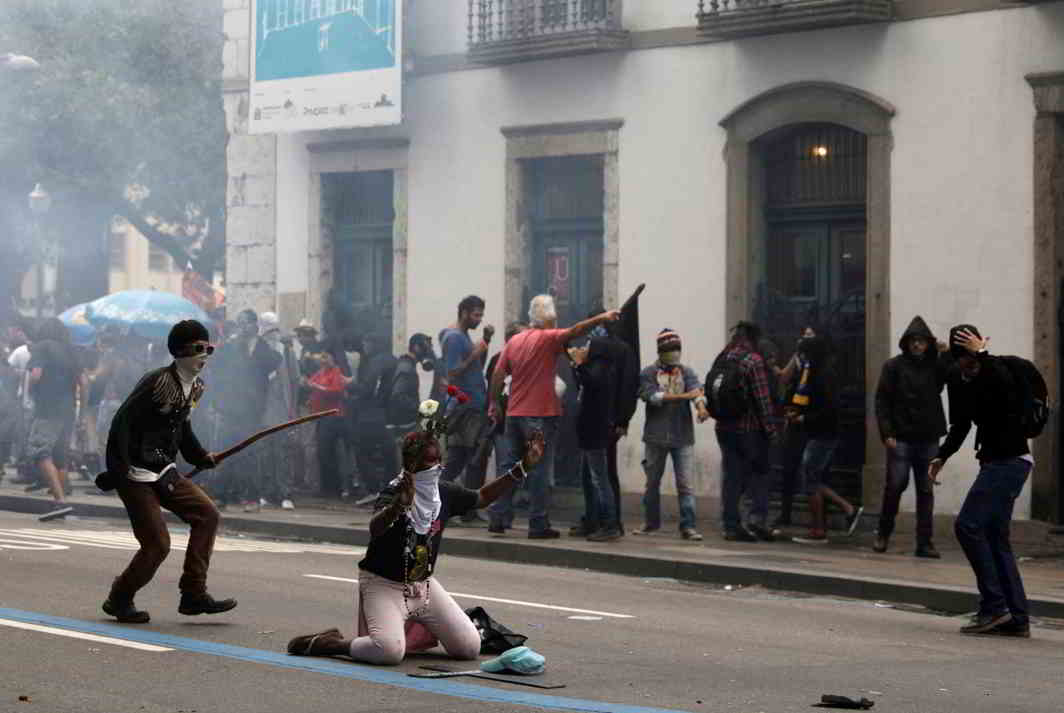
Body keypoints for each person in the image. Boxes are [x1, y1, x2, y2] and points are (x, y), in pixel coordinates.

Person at [286, 424, 545, 664]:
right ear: (412, 464)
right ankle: (331, 644)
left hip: (423, 586)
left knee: (468, 647)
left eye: (439, 459)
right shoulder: (394, 491)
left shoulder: (443, 493)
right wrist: (399, 506)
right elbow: (375, 528)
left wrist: (522, 468)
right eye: (430, 461)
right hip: (384, 584)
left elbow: (482, 497)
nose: (437, 466)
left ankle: (424, 624)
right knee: (388, 651)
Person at [98, 320, 234, 623]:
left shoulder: (197, 387)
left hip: (164, 469)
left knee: (207, 515)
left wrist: (200, 456)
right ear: (179, 351)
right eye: (199, 349)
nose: (205, 355)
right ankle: (119, 598)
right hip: (134, 473)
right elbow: (122, 422)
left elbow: (182, 427)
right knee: (157, 544)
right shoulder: (157, 381)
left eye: (209, 349)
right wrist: (119, 469)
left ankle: (193, 594)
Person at [930, 326, 1034, 637]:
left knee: (968, 526)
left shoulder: (996, 369)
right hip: (993, 462)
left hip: (1011, 461)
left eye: (972, 358)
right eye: (964, 359)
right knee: (994, 538)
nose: (969, 365)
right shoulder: (956, 378)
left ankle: (994, 608)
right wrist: (942, 455)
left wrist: (984, 356)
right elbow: (961, 424)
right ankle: (1016, 617)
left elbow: (1007, 394)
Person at [487, 296, 620, 538]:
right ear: (549, 319)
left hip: (515, 414)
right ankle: (538, 524)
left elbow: (498, 373)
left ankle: (498, 517)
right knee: (538, 470)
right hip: (540, 416)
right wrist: (602, 317)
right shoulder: (548, 338)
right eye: (554, 318)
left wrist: (495, 403)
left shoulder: (515, 340)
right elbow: (577, 330)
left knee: (509, 468)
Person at [873, 316, 950, 558]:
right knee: (895, 485)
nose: (917, 345)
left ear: (928, 343)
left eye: (922, 341)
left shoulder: (934, 365)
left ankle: (925, 542)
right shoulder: (893, 366)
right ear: (906, 343)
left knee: (925, 490)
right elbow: (882, 401)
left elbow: (950, 376)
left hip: (928, 436)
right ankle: (883, 533)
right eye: (914, 341)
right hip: (901, 435)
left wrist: (945, 353)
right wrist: (886, 433)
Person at [786, 335, 863, 544]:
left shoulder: (823, 375)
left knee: (810, 480)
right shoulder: (815, 373)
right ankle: (846, 510)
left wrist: (803, 417)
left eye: (803, 353)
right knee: (811, 479)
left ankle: (820, 529)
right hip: (819, 433)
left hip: (824, 434)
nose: (801, 357)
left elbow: (829, 410)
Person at [635, 329, 708, 541]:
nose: (674, 354)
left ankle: (688, 526)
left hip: (682, 434)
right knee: (652, 483)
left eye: (677, 349)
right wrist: (686, 396)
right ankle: (650, 523)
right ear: (660, 351)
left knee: (686, 484)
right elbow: (653, 396)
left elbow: (698, 392)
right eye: (669, 350)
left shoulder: (686, 372)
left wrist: (701, 408)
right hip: (655, 436)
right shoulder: (648, 373)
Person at [711, 322, 778, 542]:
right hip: (748, 430)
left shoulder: (724, 356)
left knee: (732, 477)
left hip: (723, 427)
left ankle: (731, 525)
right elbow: (762, 399)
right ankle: (757, 521)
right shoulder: (753, 361)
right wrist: (771, 430)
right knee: (759, 473)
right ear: (752, 339)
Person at [211, 309, 282, 511]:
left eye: (247, 323)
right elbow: (216, 370)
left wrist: (257, 347)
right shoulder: (230, 347)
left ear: (255, 325)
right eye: (239, 322)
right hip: (229, 408)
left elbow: (274, 361)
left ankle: (251, 498)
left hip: (251, 411)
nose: (243, 327)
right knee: (225, 453)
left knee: (249, 454)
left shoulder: (263, 349)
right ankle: (220, 495)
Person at [439, 296, 494, 523]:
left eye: (481, 315)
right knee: (459, 461)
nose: (479, 320)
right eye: (475, 315)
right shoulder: (454, 338)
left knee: (471, 460)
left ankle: (466, 509)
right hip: (464, 409)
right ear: (463, 313)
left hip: (472, 407)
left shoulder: (464, 336)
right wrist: (476, 352)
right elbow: (452, 373)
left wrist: (485, 343)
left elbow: (475, 367)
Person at [26, 318, 84, 521]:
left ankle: (60, 501)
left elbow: (35, 374)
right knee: (60, 457)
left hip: (47, 408)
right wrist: (82, 413)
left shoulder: (42, 347)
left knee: (39, 451)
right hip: (68, 409)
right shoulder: (71, 351)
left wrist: (31, 392)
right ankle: (60, 503)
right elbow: (82, 382)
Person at [568, 334, 622, 542]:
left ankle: (609, 524)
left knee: (600, 479)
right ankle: (593, 520)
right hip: (589, 432)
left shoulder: (601, 368)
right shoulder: (596, 366)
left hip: (595, 432)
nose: (586, 348)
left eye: (589, 345)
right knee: (590, 478)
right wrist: (576, 363)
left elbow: (591, 381)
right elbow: (583, 381)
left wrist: (579, 364)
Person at [773, 324, 817, 528]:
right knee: (789, 467)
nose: (805, 339)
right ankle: (785, 513)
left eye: (810, 336)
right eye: (804, 336)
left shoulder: (821, 360)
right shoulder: (799, 356)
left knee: (813, 471)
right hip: (793, 418)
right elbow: (784, 377)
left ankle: (818, 519)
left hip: (812, 420)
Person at [386, 333, 437, 476]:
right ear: (416, 347)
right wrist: (419, 408)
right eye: (427, 348)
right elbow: (398, 396)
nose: (429, 352)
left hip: (405, 425)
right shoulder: (406, 368)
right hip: (404, 426)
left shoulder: (407, 365)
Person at [307, 350, 354, 498]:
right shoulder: (320, 372)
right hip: (322, 416)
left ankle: (337, 487)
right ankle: (328, 487)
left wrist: (318, 387)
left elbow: (336, 391)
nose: (323, 360)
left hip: (334, 417)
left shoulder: (336, 372)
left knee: (331, 452)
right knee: (324, 452)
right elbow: (310, 382)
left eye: (326, 357)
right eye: (321, 357)